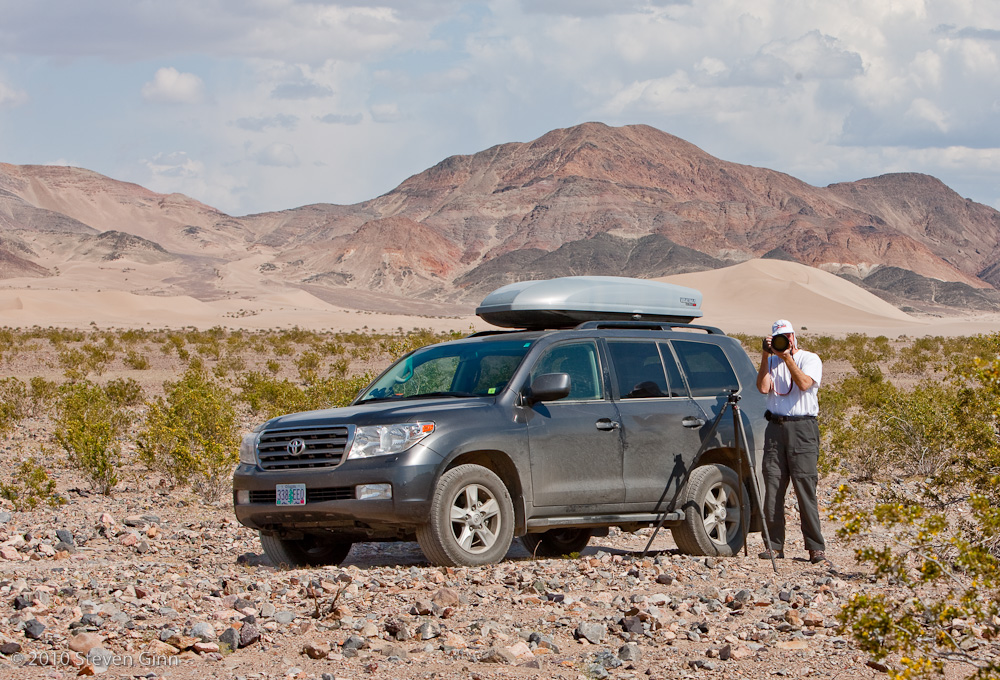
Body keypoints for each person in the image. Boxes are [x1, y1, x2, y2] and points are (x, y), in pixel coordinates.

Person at [755, 319, 832, 568]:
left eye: (786, 337)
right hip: (775, 427)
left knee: (804, 487)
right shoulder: (772, 360)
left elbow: (804, 384)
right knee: (773, 485)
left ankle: (815, 548)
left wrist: (787, 357)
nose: (782, 342)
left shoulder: (810, 358)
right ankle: (774, 546)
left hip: (803, 428)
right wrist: (766, 356)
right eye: (778, 338)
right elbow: (763, 387)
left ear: (793, 337)